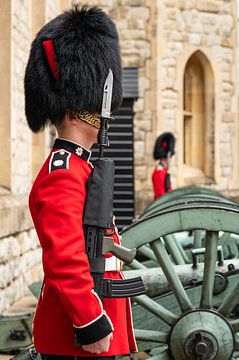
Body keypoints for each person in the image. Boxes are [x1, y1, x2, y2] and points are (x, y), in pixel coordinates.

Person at [24, 5, 137, 360]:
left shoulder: (79, 167)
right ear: (74, 110)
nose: (104, 118)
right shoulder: (63, 172)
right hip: (76, 336)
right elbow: (66, 258)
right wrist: (90, 321)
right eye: (94, 110)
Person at [152, 132, 176, 199]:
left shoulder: (164, 170)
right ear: (167, 157)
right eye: (170, 156)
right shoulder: (159, 172)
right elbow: (161, 196)